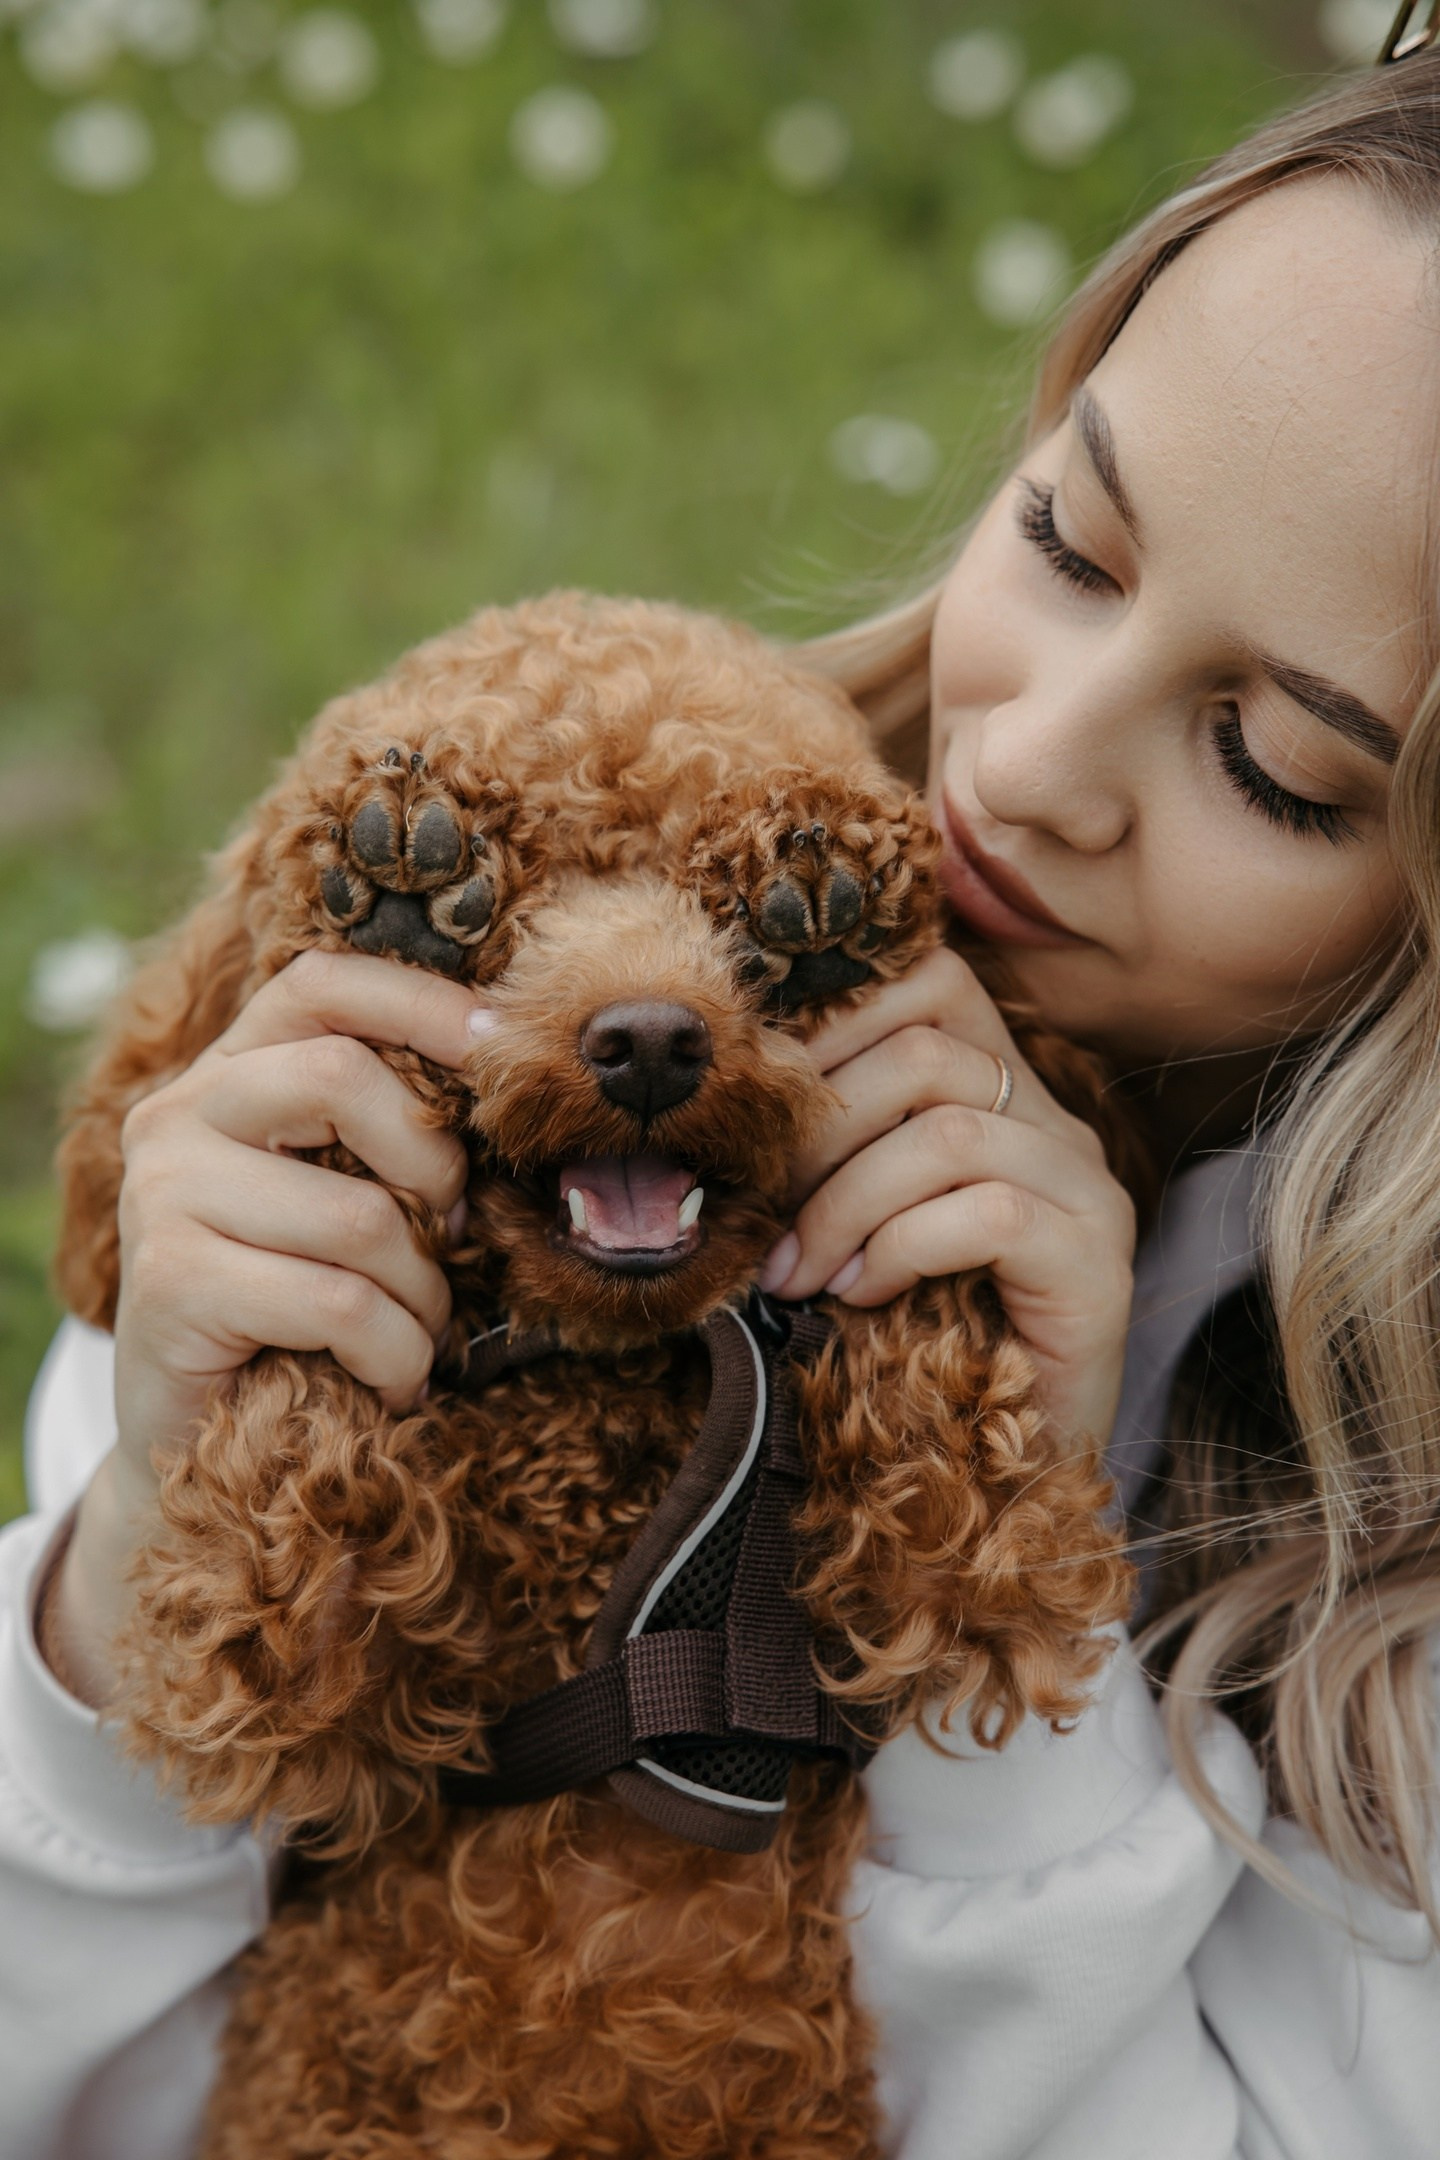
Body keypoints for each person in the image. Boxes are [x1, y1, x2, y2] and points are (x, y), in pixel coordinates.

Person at [5, 42, 1440, 2160]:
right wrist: (131, 1559)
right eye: (1069, 536)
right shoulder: (490, 934)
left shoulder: (1385, 1637)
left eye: (1278, 768)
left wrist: (1011, 1643)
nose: (1027, 764)